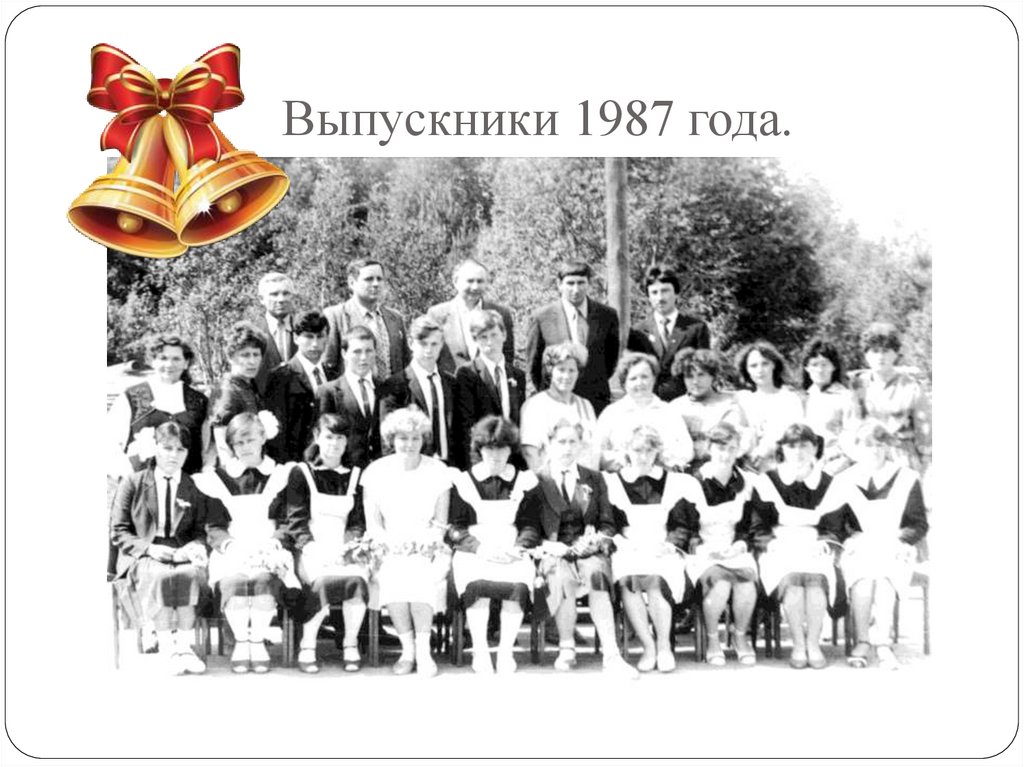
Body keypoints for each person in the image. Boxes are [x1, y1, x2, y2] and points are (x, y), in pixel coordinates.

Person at [514, 418, 640, 678]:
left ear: (581, 445)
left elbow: (608, 523)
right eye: (561, 442)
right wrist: (546, 545)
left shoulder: (595, 478)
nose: (567, 448)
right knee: (561, 576)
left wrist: (596, 541)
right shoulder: (535, 480)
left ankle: (611, 654)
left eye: (573, 442)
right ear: (549, 444)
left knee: (596, 575)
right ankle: (566, 646)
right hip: (553, 551)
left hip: (588, 551)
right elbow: (528, 525)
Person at [193, 412, 297, 674]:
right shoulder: (219, 479)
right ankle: (242, 642)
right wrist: (231, 547)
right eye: (238, 443)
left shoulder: (280, 475)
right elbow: (214, 526)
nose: (245, 447)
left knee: (264, 580)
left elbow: (288, 521)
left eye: (250, 440)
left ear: (263, 437)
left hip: (269, 546)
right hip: (233, 547)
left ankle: (257, 641)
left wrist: (274, 544)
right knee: (234, 582)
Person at [110, 422, 215, 675]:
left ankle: (185, 647)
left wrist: (194, 546)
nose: (173, 455)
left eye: (180, 450)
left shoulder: (194, 485)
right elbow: (119, 530)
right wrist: (149, 549)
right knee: (161, 575)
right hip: (142, 553)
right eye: (167, 448)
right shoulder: (134, 483)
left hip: (180, 550)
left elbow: (202, 530)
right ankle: (168, 647)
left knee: (189, 574)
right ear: (155, 448)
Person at [361, 408, 453, 676]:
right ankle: (407, 650)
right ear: (392, 440)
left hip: (428, 545)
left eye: (415, 438)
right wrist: (389, 544)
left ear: (424, 439)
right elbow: (373, 524)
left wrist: (427, 543)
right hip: (388, 545)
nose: (409, 444)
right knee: (393, 574)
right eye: (403, 438)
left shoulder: (438, 470)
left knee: (422, 575)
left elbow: (440, 523)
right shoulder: (376, 471)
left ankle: (423, 652)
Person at [831, 420, 928, 670]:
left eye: (880, 444)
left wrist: (902, 540)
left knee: (885, 579)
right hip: (860, 545)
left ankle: (883, 644)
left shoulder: (906, 477)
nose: (874, 450)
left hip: (895, 544)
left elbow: (918, 523)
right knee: (863, 581)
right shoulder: (844, 480)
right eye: (868, 445)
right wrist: (848, 540)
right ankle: (863, 641)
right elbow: (835, 524)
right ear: (857, 448)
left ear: (887, 447)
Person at [276, 413, 368, 674]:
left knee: (357, 579)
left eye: (340, 438)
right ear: (317, 437)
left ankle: (350, 643)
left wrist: (349, 547)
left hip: (345, 549)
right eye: (329, 437)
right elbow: (296, 521)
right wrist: (314, 549)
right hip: (310, 548)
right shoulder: (301, 472)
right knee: (322, 580)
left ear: (347, 441)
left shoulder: (355, 475)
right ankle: (307, 644)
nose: (334, 444)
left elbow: (357, 522)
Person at [748, 423, 844, 670]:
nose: (798, 452)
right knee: (792, 582)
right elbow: (758, 527)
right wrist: (770, 544)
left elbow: (834, 526)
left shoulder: (828, 483)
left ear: (815, 448)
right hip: (778, 547)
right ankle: (799, 644)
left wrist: (826, 542)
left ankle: (813, 644)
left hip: (814, 545)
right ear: (782, 449)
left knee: (816, 581)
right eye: (792, 446)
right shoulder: (768, 482)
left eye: (804, 445)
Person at [447, 416, 538, 674]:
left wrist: (519, 548)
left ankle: (506, 651)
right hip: (475, 549)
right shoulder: (465, 481)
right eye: (489, 449)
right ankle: (481, 651)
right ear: (480, 450)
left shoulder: (525, 481)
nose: (495, 455)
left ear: (511, 450)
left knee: (518, 584)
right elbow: (455, 528)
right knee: (477, 585)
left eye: (502, 449)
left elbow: (531, 524)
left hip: (511, 549)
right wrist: (480, 548)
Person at [667, 422, 759, 666]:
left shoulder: (747, 482)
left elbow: (750, 525)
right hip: (701, 552)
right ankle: (712, 640)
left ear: (738, 450)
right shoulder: (692, 481)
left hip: (734, 548)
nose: (726, 455)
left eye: (731, 449)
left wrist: (739, 545)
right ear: (709, 448)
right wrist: (703, 548)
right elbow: (683, 525)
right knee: (720, 583)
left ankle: (740, 637)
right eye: (720, 448)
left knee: (746, 583)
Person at [605, 425, 690, 673]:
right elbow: (608, 524)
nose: (643, 456)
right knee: (629, 580)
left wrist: (671, 544)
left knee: (656, 580)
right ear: (627, 451)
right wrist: (620, 541)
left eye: (649, 451)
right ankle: (648, 646)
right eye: (637, 450)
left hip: (661, 548)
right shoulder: (614, 482)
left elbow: (681, 524)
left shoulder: (672, 482)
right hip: (628, 549)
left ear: (657, 452)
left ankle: (664, 646)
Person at [107, 333, 209, 478]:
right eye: (163, 358)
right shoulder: (131, 397)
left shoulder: (199, 402)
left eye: (176, 359)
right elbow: (110, 443)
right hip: (141, 485)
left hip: (189, 485)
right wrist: (129, 479)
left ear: (186, 363)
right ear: (152, 361)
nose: (169, 364)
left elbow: (207, 449)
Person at [525, 261, 620, 414]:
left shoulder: (607, 316)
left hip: (595, 403)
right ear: (559, 284)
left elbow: (611, 361)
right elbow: (533, 367)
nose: (576, 289)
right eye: (570, 283)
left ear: (589, 283)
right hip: (556, 403)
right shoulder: (542, 317)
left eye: (581, 283)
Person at [849, 322, 932, 475]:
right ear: (866, 354)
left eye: (886, 350)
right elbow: (853, 425)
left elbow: (925, 432)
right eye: (875, 351)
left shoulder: (911, 386)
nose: (880, 356)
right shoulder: (859, 385)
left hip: (902, 456)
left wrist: (925, 465)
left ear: (895, 353)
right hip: (870, 456)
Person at [594, 352, 694, 472]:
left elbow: (687, 449)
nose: (640, 383)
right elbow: (597, 451)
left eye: (645, 377)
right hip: (622, 477)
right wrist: (624, 459)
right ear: (624, 383)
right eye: (633, 378)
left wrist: (664, 458)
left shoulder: (669, 411)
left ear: (654, 379)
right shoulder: (612, 413)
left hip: (664, 476)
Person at [452, 310, 527, 469]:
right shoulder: (467, 374)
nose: (490, 342)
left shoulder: (518, 376)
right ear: (475, 340)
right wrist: (475, 465)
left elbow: (519, 422)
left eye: (494, 335)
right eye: (483, 337)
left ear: (504, 335)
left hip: (512, 460)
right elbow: (466, 425)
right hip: (483, 459)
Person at [378, 316, 456, 464]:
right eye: (423, 343)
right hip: (413, 466)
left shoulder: (451, 383)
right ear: (411, 343)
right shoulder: (394, 386)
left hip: (450, 466)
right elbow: (388, 439)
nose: (429, 350)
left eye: (434, 344)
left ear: (441, 345)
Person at [627, 265, 710, 401]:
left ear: (676, 293)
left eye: (665, 291)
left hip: (687, 401)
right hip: (650, 402)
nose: (660, 298)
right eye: (654, 292)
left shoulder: (696, 328)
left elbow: (705, 370)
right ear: (648, 296)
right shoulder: (638, 331)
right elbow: (633, 371)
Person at [321, 258, 410, 381]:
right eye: (369, 279)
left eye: (379, 279)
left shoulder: (395, 318)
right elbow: (327, 365)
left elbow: (405, 361)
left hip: (393, 391)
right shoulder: (335, 316)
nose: (376, 284)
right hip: (355, 391)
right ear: (352, 283)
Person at [518, 342, 600, 471]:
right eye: (561, 369)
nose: (566, 376)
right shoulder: (535, 405)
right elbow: (530, 453)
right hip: (550, 480)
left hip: (587, 479)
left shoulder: (586, 405)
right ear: (550, 371)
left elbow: (595, 449)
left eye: (571, 370)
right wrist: (547, 481)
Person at [427, 258, 515, 375]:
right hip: (452, 384)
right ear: (455, 282)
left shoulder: (501, 314)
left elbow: (507, 356)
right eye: (470, 281)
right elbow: (430, 356)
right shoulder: (437, 314)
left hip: (488, 385)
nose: (475, 287)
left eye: (480, 281)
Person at [266, 310, 330, 463]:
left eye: (320, 336)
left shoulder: (332, 374)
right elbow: (279, 434)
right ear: (296, 338)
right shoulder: (281, 377)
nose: (315, 344)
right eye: (308, 337)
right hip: (296, 462)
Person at [315, 325, 383, 469]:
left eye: (369, 351)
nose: (363, 358)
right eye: (357, 352)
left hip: (380, 470)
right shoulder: (328, 392)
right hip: (345, 471)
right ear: (344, 353)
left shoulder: (386, 389)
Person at [665, 348, 747, 466]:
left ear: (713, 376)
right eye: (689, 376)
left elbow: (741, 440)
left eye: (701, 375)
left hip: (726, 464)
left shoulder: (730, 401)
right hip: (688, 468)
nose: (695, 381)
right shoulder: (676, 407)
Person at [733, 341, 804, 473]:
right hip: (749, 469)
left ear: (774, 365)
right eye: (753, 366)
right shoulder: (743, 400)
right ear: (746, 370)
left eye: (765, 363)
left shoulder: (789, 398)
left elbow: (794, 434)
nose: (760, 370)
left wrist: (766, 450)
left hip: (783, 467)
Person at [208, 322, 270, 466]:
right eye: (245, 355)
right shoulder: (227, 391)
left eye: (256, 354)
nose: (252, 361)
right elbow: (223, 447)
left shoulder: (248, 385)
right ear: (230, 357)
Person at [801, 338, 857, 475]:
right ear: (806, 368)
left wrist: (833, 470)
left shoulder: (846, 398)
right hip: (805, 468)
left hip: (836, 468)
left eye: (824, 364)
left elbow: (853, 440)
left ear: (834, 367)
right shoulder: (803, 398)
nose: (820, 370)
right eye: (814, 364)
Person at [253, 272, 298, 397]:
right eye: (274, 294)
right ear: (261, 299)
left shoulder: (304, 330)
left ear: (293, 297)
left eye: (286, 293)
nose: (281, 299)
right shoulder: (253, 332)